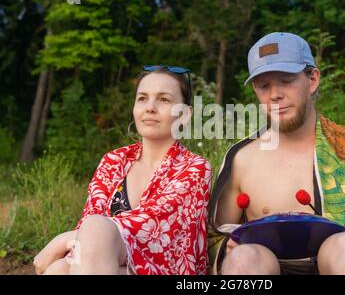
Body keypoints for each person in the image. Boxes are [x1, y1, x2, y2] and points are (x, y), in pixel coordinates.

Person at [208, 32, 345, 275]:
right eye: (264, 85)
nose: (275, 94)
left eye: (286, 80)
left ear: (313, 79)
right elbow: (215, 236)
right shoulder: (241, 158)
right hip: (267, 269)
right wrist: (229, 247)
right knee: (244, 257)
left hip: (340, 264)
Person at [34, 65, 212, 275]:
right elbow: (87, 235)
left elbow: (151, 228)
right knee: (60, 269)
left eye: (164, 99)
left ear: (184, 114)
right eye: (142, 98)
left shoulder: (195, 168)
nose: (150, 107)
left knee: (80, 247)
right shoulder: (114, 161)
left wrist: (62, 239)